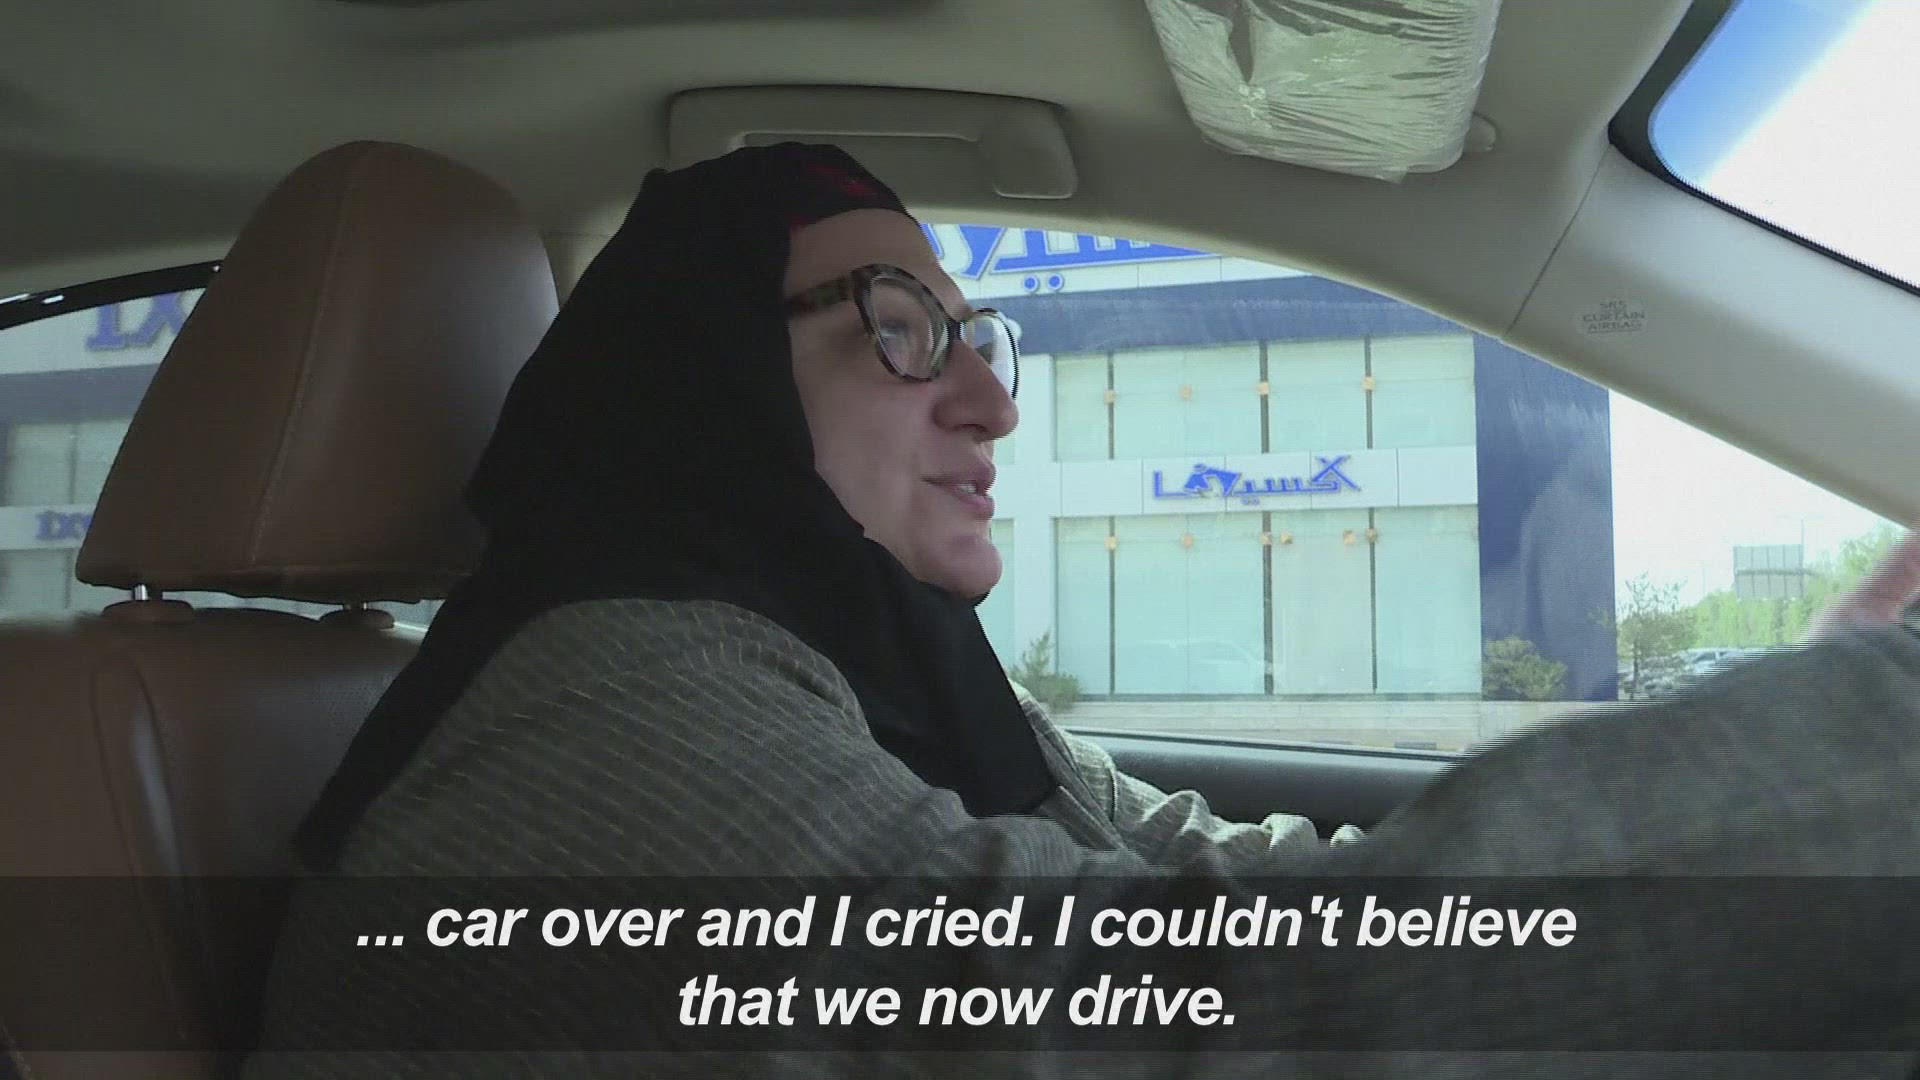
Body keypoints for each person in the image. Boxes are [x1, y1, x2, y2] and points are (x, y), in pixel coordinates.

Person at [243, 143, 1920, 1078]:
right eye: (901, 325)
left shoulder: (872, 675)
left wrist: (1791, 722)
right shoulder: (604, 714)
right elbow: (1189, 1018)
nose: (991, 399)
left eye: (979, 335)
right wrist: (1880, 734)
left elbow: (1207, 880)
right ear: (704, 379)